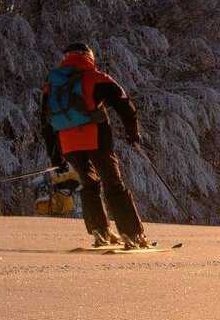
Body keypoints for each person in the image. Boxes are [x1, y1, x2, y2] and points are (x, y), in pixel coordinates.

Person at [39, 42, 150, 249]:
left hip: (68, 143)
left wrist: (56, 157)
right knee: (113, 184)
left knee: (89, 184)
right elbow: (124, 104)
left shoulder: (52, 84)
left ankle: (100, 231)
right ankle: (132, 234)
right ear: (88, 56)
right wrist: (133, 134)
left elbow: (45, 122)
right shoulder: (94, 76)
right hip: (96, 138)